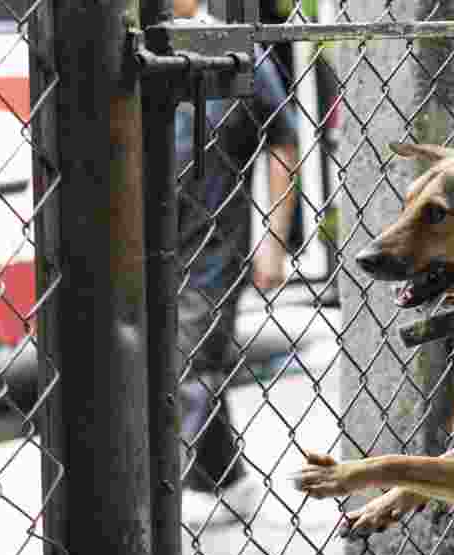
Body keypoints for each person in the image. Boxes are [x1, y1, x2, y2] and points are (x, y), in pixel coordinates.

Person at [172, 0, 300, 527]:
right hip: (148, 247)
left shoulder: (233, 47)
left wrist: (273, 240)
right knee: (189, 371)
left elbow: (282, 138)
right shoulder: (132, 47)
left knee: (186, 369)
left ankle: (148, 504)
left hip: (210, 251)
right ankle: (229, 481)